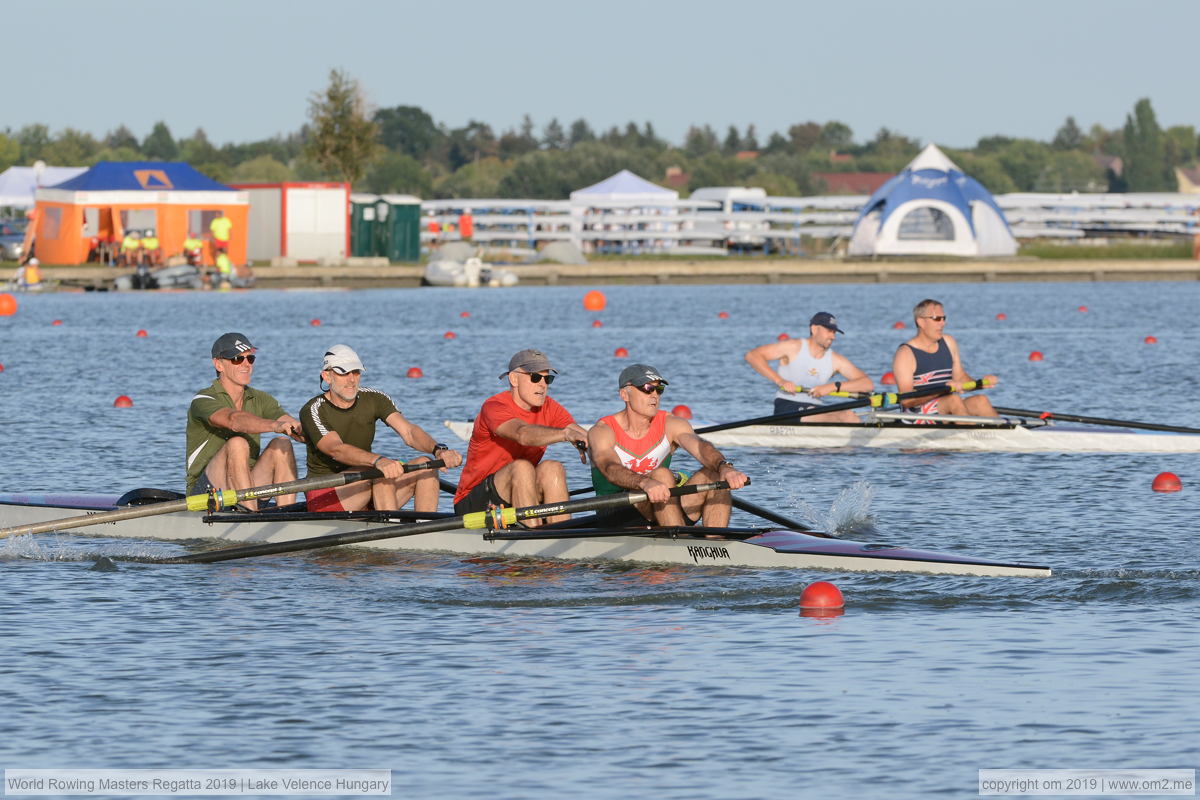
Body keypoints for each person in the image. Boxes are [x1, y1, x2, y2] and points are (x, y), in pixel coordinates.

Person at [299, 345, 462, 513]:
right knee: (380, 470)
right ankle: (391, 527)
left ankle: (424, 529)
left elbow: (409, 432)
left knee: (425, 465)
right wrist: (378, 461)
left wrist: (439, 450)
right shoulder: (313, 410)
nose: (352, 380)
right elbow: (336, 449)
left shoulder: (375, 398)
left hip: (367, 484)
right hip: (325, 495)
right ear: (327, 376)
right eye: (343, 373)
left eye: (355, 372)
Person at [588, 364, 749, 528]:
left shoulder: (672, 423)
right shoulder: (603, 431)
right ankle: (678, 541)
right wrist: (644, 483)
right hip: (617, 512)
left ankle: (716, 544)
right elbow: (609, 468)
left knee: (713, 473)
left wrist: (725, 467)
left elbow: (701, 448)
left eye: (659, 389)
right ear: (624, 394)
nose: (655, 395)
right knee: (662, 475)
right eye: (647, 388)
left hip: (664, 505)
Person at [453, 349, 588, 526]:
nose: (543, 385)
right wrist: (565, 435)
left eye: (547, 379)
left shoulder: (550, 407)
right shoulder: (494, 407)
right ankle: (533, 543)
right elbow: (522, 434)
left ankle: (563, 533)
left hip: (521, 494)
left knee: (553, 468)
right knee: (521, 467)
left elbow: (580, 434)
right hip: (473, 503)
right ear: (514, 379)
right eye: (535, 378)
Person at [186, 332, 303, 509]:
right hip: (206, 492)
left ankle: (286, 512)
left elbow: (294, 426)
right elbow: (234, 420)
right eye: (237, 359)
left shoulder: (260, 398)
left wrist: (317, 436)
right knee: (237, 443)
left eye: (250, 359)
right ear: (218, 364)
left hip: (248, 484)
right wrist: (274, 425)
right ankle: (250, 515)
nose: (246, 364)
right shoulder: (203, 399)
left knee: (282, 443)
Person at [744, 311, 873, 422]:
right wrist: (780, 380)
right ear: (814, 329)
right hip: (787, 407)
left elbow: (866, 384)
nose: (833, 336)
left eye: (834, 332)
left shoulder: (835, 360)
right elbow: (752, 356)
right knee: (845, 417)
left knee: (850, 416)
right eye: (829, 331)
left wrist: (833, 387)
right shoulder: (793, 347)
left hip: (815, 408)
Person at [892, 298, 999, 421]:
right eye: (937, 319)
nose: (943, 323)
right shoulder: (905, 353)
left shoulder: (949, 342)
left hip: (945, 407)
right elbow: (906, 400)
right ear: (921, 322)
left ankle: (1007, 436)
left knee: (981, 401)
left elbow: (960, 378)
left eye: (944, 318)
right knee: (953, 400)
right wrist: (943, 390)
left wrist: (981, 383)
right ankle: (969, 437)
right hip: (916, 415)